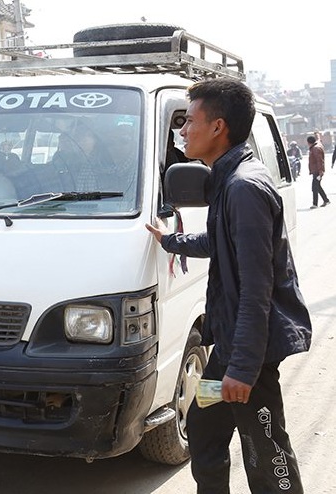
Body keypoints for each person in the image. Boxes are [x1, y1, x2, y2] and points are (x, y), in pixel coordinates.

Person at [145, 79, 312, 493]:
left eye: (189, 121)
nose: (182, 131)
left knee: (265, 449)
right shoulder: (228, 177)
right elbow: (220, 242)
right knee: (203, 426)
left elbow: (258, 289)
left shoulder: (243, 188)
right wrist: (170, 241)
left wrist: (242, 369)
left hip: (249, 353)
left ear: (218, 127)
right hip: (231, 348)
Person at [307, 134, 330, 208]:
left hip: (317, 171)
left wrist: (320, 172)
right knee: (317, 186)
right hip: (316, 170)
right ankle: (326, 200)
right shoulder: (315, 148)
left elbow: (319, 161)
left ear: (309, 142)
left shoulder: (315, 149)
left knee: (314, 187)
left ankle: (315, 204)